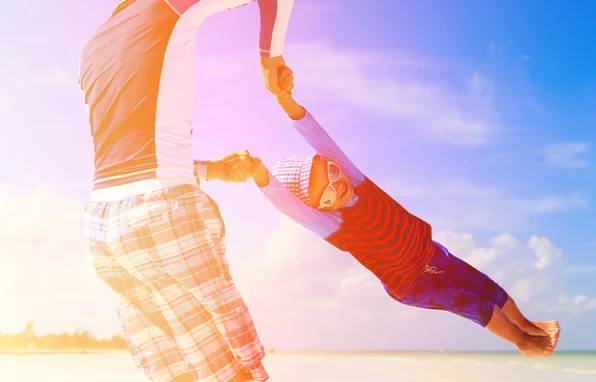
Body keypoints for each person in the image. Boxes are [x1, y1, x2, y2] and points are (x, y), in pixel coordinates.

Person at [245, 69, 561, 359]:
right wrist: (260, 176)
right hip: (410, 282)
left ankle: (528, 324)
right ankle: (523, 343)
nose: (336, 186)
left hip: (433, 253)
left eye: (331, 172)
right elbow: (287, 203)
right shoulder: (334, 225)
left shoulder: (355, 180)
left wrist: (285, 99)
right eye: (325, 194)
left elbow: (317, 136)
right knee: (470, 302)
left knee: (485, 287)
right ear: (319, 209)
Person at [79, 0, 294, 381]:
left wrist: (213, 170)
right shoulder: (166, 6)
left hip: (103, 223)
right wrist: (270, 57)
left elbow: (129, 158)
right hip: (161, 210)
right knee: (234, 368)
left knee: (174, 370)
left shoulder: (92, 46)